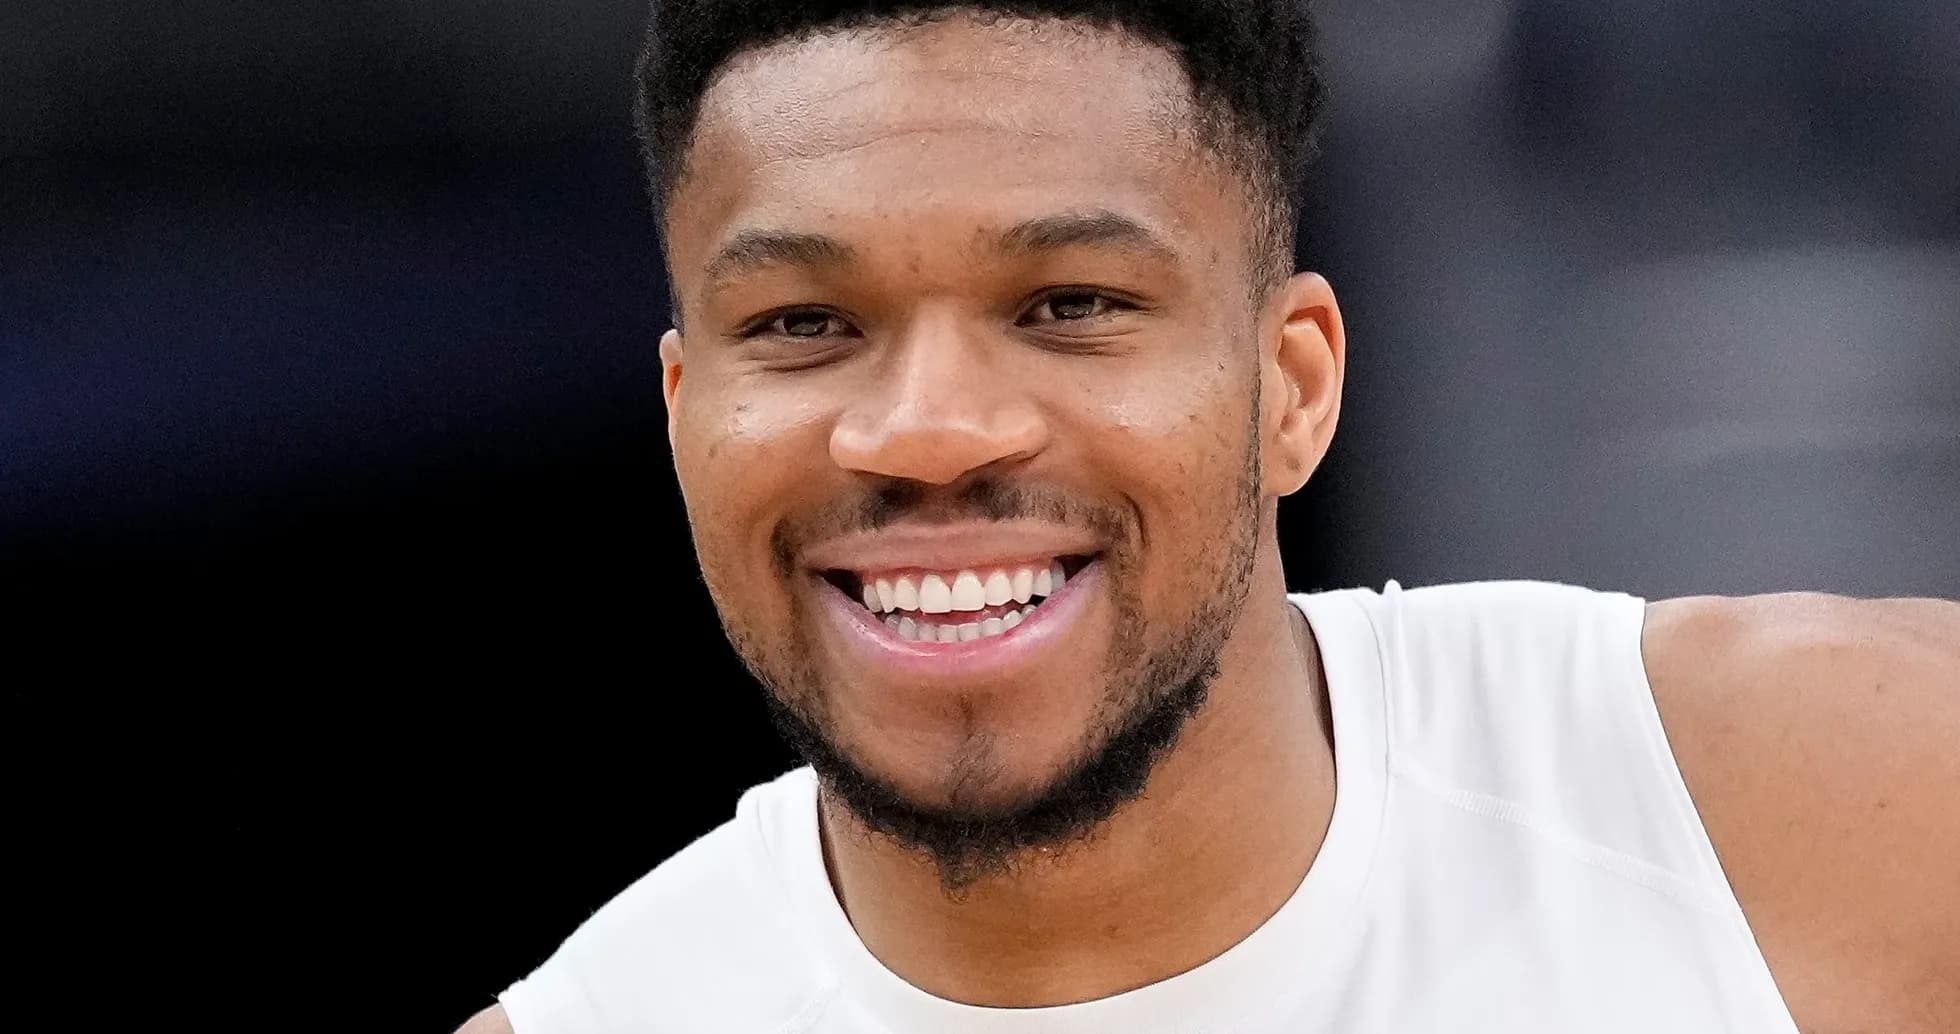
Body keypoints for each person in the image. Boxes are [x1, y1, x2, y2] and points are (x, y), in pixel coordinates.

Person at [456, 2, 1960, 1030]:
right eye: (800, 323)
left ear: (1292, 385)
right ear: (678, 413)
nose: (928, 430)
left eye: (1068, 305)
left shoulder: (1823, 804)